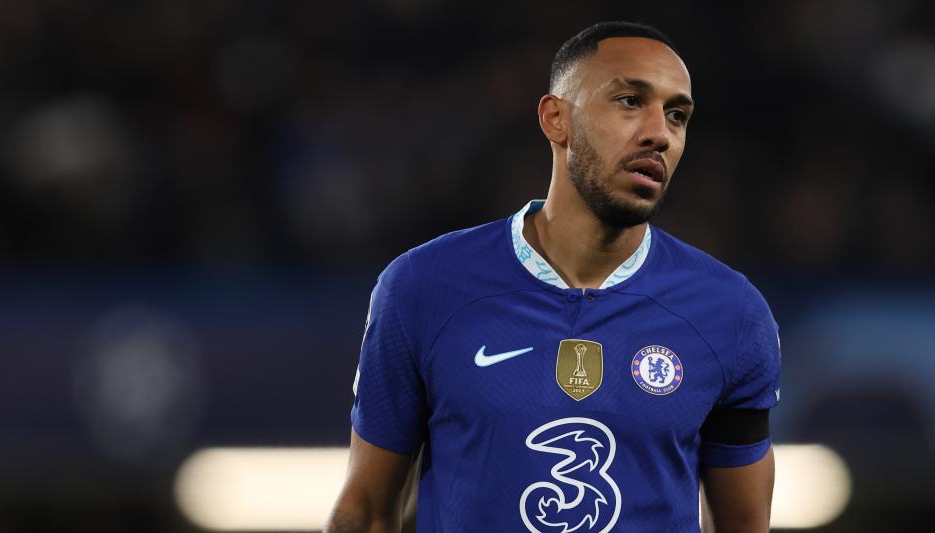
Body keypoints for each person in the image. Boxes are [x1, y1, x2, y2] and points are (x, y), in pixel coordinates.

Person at [326, 21, 781, 533]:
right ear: (555, 119)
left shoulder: (732, 313)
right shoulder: (421, 287)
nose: (660, 133)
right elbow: (364, 513)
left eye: (677, 115)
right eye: (631, 101)